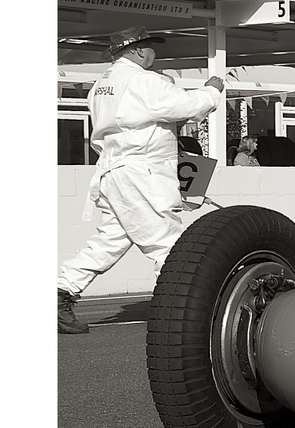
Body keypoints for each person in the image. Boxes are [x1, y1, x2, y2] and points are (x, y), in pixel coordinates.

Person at [58, 28, 225, 333]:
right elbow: (186, 106)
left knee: (108, 242)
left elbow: (147, 118)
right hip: (141, 173)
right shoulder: (144, 81)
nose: (154, 52)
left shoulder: (102, 85)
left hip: (114, 171)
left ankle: (60, 292)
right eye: (149, 46)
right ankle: (179, 314)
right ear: (135, 50)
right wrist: (212, 90)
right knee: (169, 244)